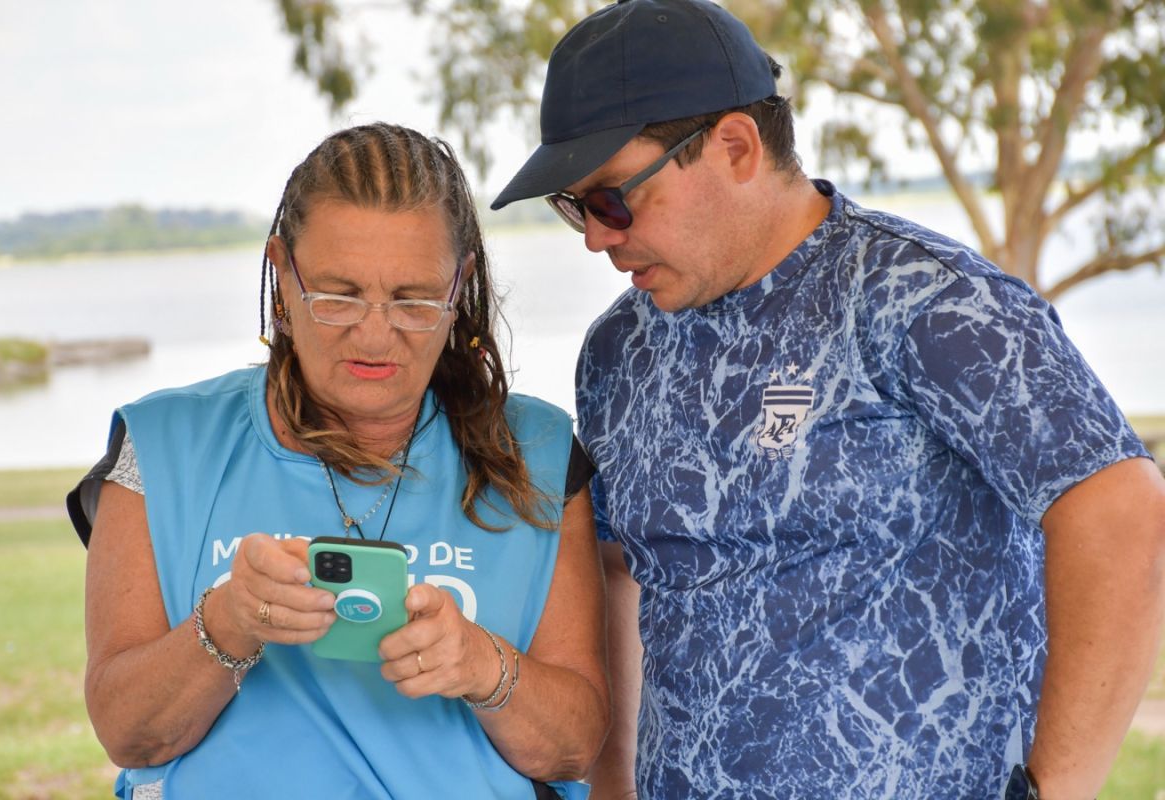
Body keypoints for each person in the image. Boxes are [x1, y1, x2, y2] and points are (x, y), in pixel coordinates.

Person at [489, 1, 1165, 797]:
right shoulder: (617, 352)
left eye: (610, 199)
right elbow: (626, 576)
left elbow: (1121, 510)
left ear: (735, 147)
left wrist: (1058, 790)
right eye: (573, 209)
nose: (596, 238)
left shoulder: (921, 301)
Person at [66, 122, 609, 799]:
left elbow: (573, 747)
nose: (375, 334)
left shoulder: (539, 453)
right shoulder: (164, 447)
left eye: (413, 300)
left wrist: (481, 664)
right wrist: (231, 620)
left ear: (459, 288)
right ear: (281, 278)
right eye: (338, 295)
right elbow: (128, 732)